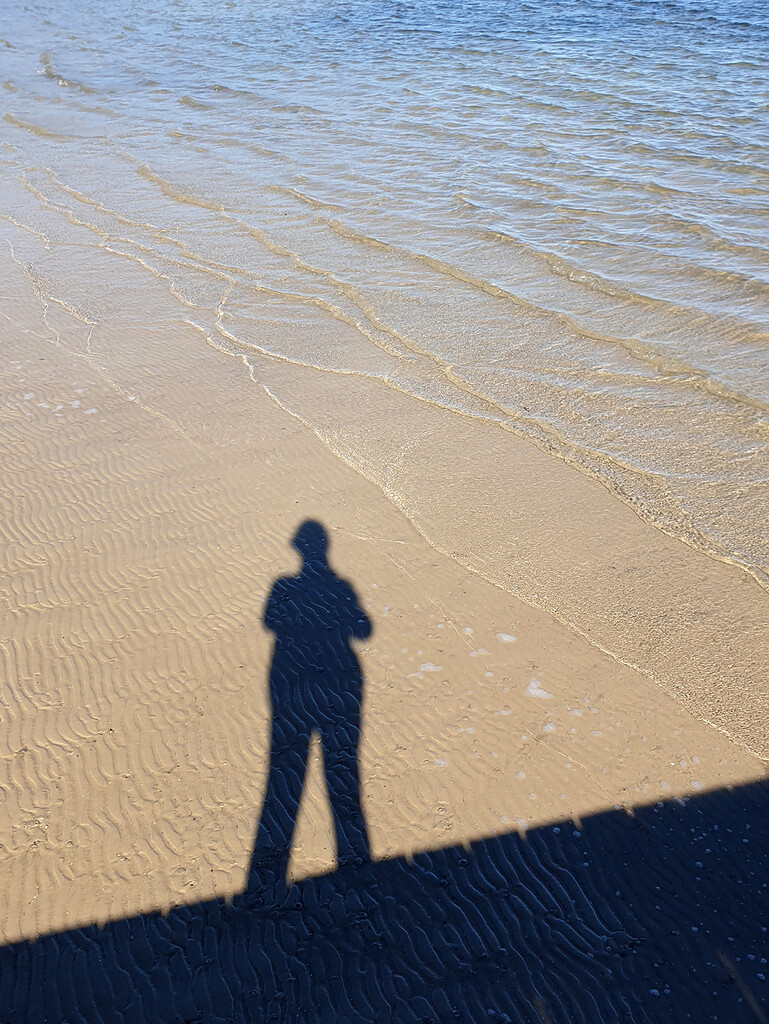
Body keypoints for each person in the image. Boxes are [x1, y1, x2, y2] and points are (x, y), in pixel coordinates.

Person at [247, 520, 371, 895]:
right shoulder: (341, 587)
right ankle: (356, 870)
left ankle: (266, 884)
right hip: (339, 681)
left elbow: (270, 621)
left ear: (299, 549)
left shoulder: (283, 586)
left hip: (291, 684)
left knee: (285, 777)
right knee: (342, 774)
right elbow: (363, 629)